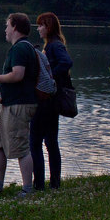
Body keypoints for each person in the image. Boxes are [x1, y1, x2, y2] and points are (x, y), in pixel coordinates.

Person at [0, 12, 40, 196]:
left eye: (7, 26)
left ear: (15, 27)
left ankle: (27, 189)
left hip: (19, 106)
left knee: (21, 147)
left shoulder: (21, 49)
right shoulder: (20, 49)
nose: (5, 30)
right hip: (8, 104)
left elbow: (18, 75)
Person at [30, 12, 73, 190]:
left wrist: (49, 76)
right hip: (51, 102)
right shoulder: (51, 46)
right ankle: (54, 184)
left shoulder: (55, 46)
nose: (38, 28)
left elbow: (67, 62)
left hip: (47, 102)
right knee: (50, 142)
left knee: (35, 142)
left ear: (48, 27)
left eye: (40, 25)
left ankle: (39, 184)